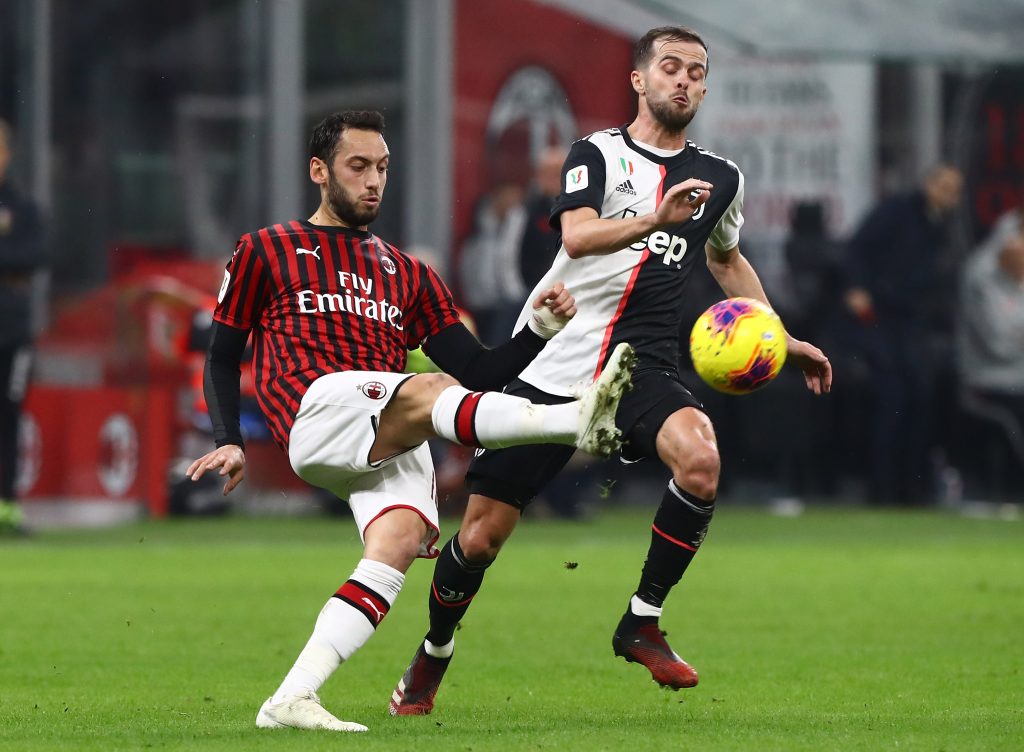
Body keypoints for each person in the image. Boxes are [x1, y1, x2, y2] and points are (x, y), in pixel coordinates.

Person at [388, 26, 831, 716]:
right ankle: (433, 652)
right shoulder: (595, 153)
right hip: (551, 363)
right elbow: (577, 235)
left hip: (640, 368)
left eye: (696, 72)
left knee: (701, 461)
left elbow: (724, 260)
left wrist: (779, 335)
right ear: (639, 79)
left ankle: (642, 620)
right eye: (670, 67)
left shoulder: (721, 178)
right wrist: (654, 217)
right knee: (478, 539)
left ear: (705, 88)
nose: (683, 80)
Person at [186, 111, 636, 733]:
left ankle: (291, 698)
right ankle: (573, 422)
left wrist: (537, 331)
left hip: (385, 425)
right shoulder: (266, 248)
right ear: (319, 172)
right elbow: (223, 354)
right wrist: (229, 441)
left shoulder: (407, 271)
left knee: (395, 545)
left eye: (382, 169)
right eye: (358, 167)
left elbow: (480, 371)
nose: (374, 181)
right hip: (318, 410)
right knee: (430, 390)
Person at [843, 164, 963, 505]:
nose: (948, 194)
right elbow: (857, 247)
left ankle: (914, 487)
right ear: (928, 183)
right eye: (944, 185)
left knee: (921, 397)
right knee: (891, 396)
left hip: (915, 321)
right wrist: (856, 287)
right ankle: (883, 487)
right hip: (881, 316)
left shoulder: (941, 225)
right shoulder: (897, 211)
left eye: (955, 189)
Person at [0, 118, 45, 534]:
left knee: (9, 415)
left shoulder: (22, 207)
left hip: (11, 334)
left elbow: (34, 256)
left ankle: (7, 505)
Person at [956, 228, 1024, 501]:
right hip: (989, 379)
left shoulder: (1017, 282)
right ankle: (1009, 491)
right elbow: (997, 343)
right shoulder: (981, 279)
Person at [519, 145, 569, 290]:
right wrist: (519, 296)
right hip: (532, 291)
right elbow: (508, 256)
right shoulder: (525, 211)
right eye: (548, 172)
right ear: (538, 175)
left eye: (558, 172)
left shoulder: (579, 209)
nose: (553, 178)